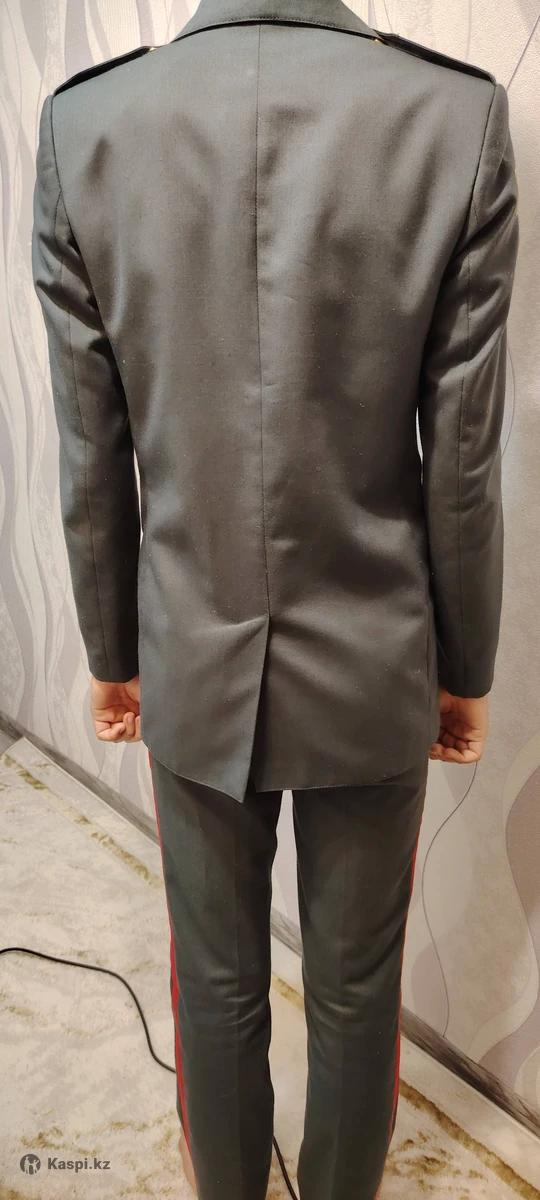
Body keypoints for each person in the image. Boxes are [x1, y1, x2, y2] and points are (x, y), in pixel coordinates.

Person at [31, 0, 519, 1196]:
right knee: (357, 994)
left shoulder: (90, 125)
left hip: (189, 648)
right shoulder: (452, 118)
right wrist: (466, 667)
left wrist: (112, 652)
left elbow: (93, 451)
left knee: (214, 986)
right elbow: (461, 465)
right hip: (379, 652)